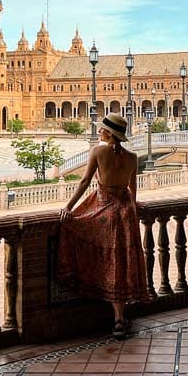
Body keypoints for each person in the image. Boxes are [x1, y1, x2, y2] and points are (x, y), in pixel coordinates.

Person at [57, 113, 147, 340]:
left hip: (106, 211)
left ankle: (116, 317)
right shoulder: (133, 157)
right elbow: (133, 190)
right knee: (122, 262)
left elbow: (85, 182)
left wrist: (68, 207)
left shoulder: (98, 151)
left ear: (108, 133)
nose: (99, 132)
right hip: (126, 214)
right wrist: (134, 207)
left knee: (108, 259)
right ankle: (120, 317)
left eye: (101, 130)